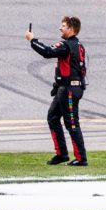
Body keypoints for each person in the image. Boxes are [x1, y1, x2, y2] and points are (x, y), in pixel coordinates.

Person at [26, 16, 88, 166]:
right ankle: (61, 154)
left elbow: (47, 52)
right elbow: (73, 68)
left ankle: (81, 159)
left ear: (71, 29)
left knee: (72, 124)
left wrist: (32, 40)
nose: (60, 28)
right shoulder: (79, 45)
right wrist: (58, 84)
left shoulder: (66, 45)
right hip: (66, 88)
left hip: (69, 90)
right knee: (53, 117)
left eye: (63, 26)